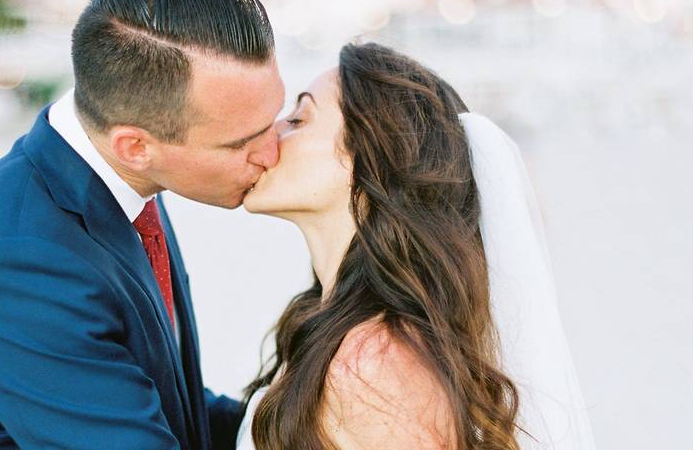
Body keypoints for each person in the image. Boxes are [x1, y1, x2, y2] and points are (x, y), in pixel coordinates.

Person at [0, 0, 285, 449]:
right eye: (242, 142)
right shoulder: (21, 264)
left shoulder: (121, 175)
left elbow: (168, 400)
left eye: (276, 119)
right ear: (135, 145)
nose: (272, 152)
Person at [240, 42, 596, 450]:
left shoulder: (375, 365)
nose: (272, 135)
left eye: (299, 119)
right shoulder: (330, 327)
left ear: (368, 162)